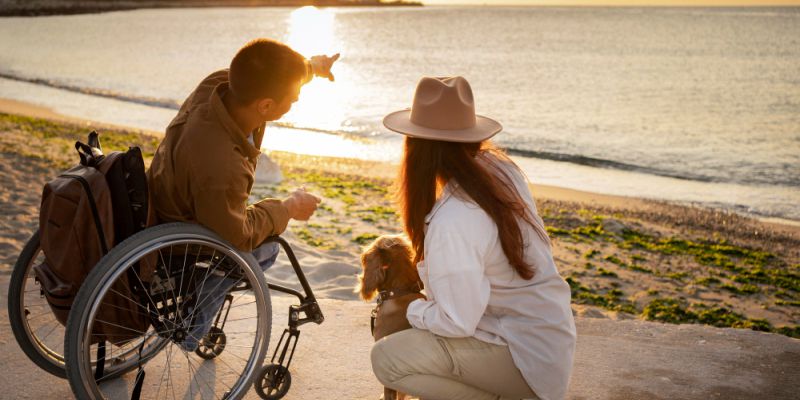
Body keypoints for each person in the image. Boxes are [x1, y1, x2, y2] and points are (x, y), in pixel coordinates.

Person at [371, 76, 576, 400]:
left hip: (523, 362)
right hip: (547, 345)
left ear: (416, 147)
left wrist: (409, 310)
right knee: (424, 338)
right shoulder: (500, 169)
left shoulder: (453, 219)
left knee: (387, 358)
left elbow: (457, 323)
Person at [146, 38, 338, 350]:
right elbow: (241, 236)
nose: (296, 101)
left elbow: (265, 67)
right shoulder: (221, 164)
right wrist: (287, 208)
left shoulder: (219, 84)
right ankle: (192, 328)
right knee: (266, 249)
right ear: (265, 106)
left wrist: (310, 68)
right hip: (181, 237)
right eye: (293, 98)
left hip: (170, 191)